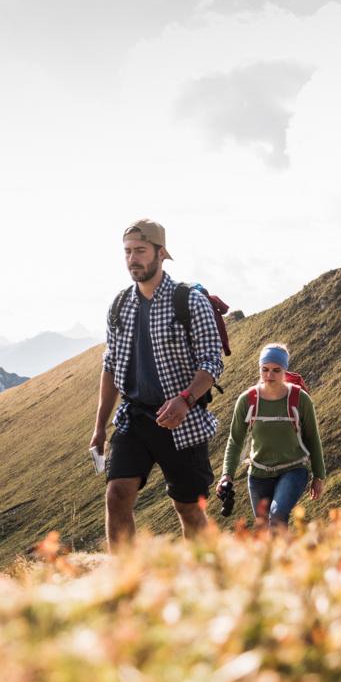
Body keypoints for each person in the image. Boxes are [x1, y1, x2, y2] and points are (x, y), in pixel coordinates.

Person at [90, 219, 225, 546]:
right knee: (116, 495)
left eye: (140, 251)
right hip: (134, 417)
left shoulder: (189, 302)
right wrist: (100, 426)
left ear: (161, 253)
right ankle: (127, 584)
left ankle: (208, 576)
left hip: (181, 419)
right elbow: (111, 366)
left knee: (188, 507)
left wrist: (185, 399)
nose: (132, 259)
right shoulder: (120, 305)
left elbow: (211, 362)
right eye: (127, 252)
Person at [217, 343, 327, 528]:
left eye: (276, 370)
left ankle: (285, 557)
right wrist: (226, 475)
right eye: (265, 369)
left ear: (284, 370)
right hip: (258, 473)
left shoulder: (300, 399)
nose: (269, 375)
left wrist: (319, 476)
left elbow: (312, 438)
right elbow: (235, 440)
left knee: (276, 516)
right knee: (263, 528)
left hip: (293, 470)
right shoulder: (247, 400)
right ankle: (283, 556)